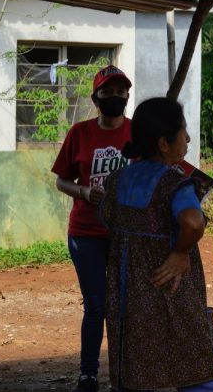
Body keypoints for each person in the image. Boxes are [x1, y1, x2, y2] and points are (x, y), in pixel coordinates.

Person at [97, 97, 213, 392]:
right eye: (183, 131)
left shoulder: (118, 179)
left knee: (138, 368)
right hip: (171, 289)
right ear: (163, 144)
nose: (188, 139)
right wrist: (180, 253)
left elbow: (107, 218)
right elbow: (193, 222)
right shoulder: (174, 182)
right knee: (198, 365)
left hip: (129, 298)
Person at [51, 65, 132, 392]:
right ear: (95, 98)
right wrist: (83, 191)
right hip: (86, 234)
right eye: (107, 92)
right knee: (96, 304)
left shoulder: (137, 133)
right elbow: (61, 181)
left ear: (127, 96)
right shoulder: (79, 133)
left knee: (124, 305)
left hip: (126, 233)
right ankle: (88, 374)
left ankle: (125, 372)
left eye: (120, 92)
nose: (115, 97)